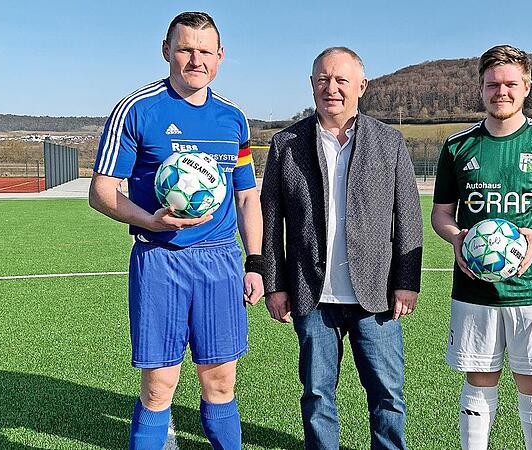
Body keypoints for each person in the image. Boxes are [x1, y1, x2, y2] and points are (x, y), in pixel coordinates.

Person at [88, 11, 263, 450]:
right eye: (185, 49)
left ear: (220, 56)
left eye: (205, 51)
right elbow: (101, 191)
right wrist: (150, 220)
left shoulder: (233, 119)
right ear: (167, 51)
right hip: (160, 259)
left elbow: (246, 196)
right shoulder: (137, 109)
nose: (195, 60)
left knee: (221, 382)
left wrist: (256, 262)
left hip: (220, 261)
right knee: (159, 387)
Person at [260, 47, 423, 450]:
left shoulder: (389, 142)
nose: (331, 88)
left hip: (376, 298)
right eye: (322, 79)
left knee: (388, 397)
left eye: (341, 80)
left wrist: (406, 282)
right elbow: (271, 220)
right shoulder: (286, 143)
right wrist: (274, 284)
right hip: (312, 297)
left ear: (361, 86)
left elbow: (408, 215)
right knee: (317, 397)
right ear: (312, 84)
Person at [431, 45, 532, 450]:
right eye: (493, 84)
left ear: (526, 87)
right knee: (479, 378)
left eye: (511, 84)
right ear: (481, 88)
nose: (502, 91)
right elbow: (441, 214)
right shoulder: (458, 147)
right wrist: (457, 237)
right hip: (475, 289)